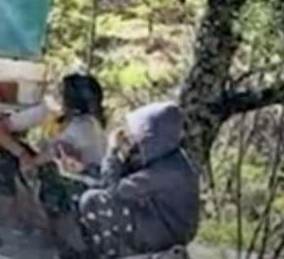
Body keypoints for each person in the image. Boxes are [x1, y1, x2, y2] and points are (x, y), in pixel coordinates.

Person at [74, 101, 200, 258]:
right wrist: (82, 169)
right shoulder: (163, 155)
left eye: (137, 132)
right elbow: (118, 179)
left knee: (93, 200)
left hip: (165, 232)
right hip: (156, 220)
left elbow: (114, 191)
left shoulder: (169, 170)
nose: (132, 136)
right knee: (78, 191)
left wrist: (112, 152)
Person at [0, 73, 108, 231]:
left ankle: (53, 227)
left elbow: (57, 151)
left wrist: (30, 162)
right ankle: (10, 214)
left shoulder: (86, 126)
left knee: (53, 171)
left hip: (79, 183)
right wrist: (22, 154)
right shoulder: (51, 112)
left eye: (62, 92)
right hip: (51, 168)